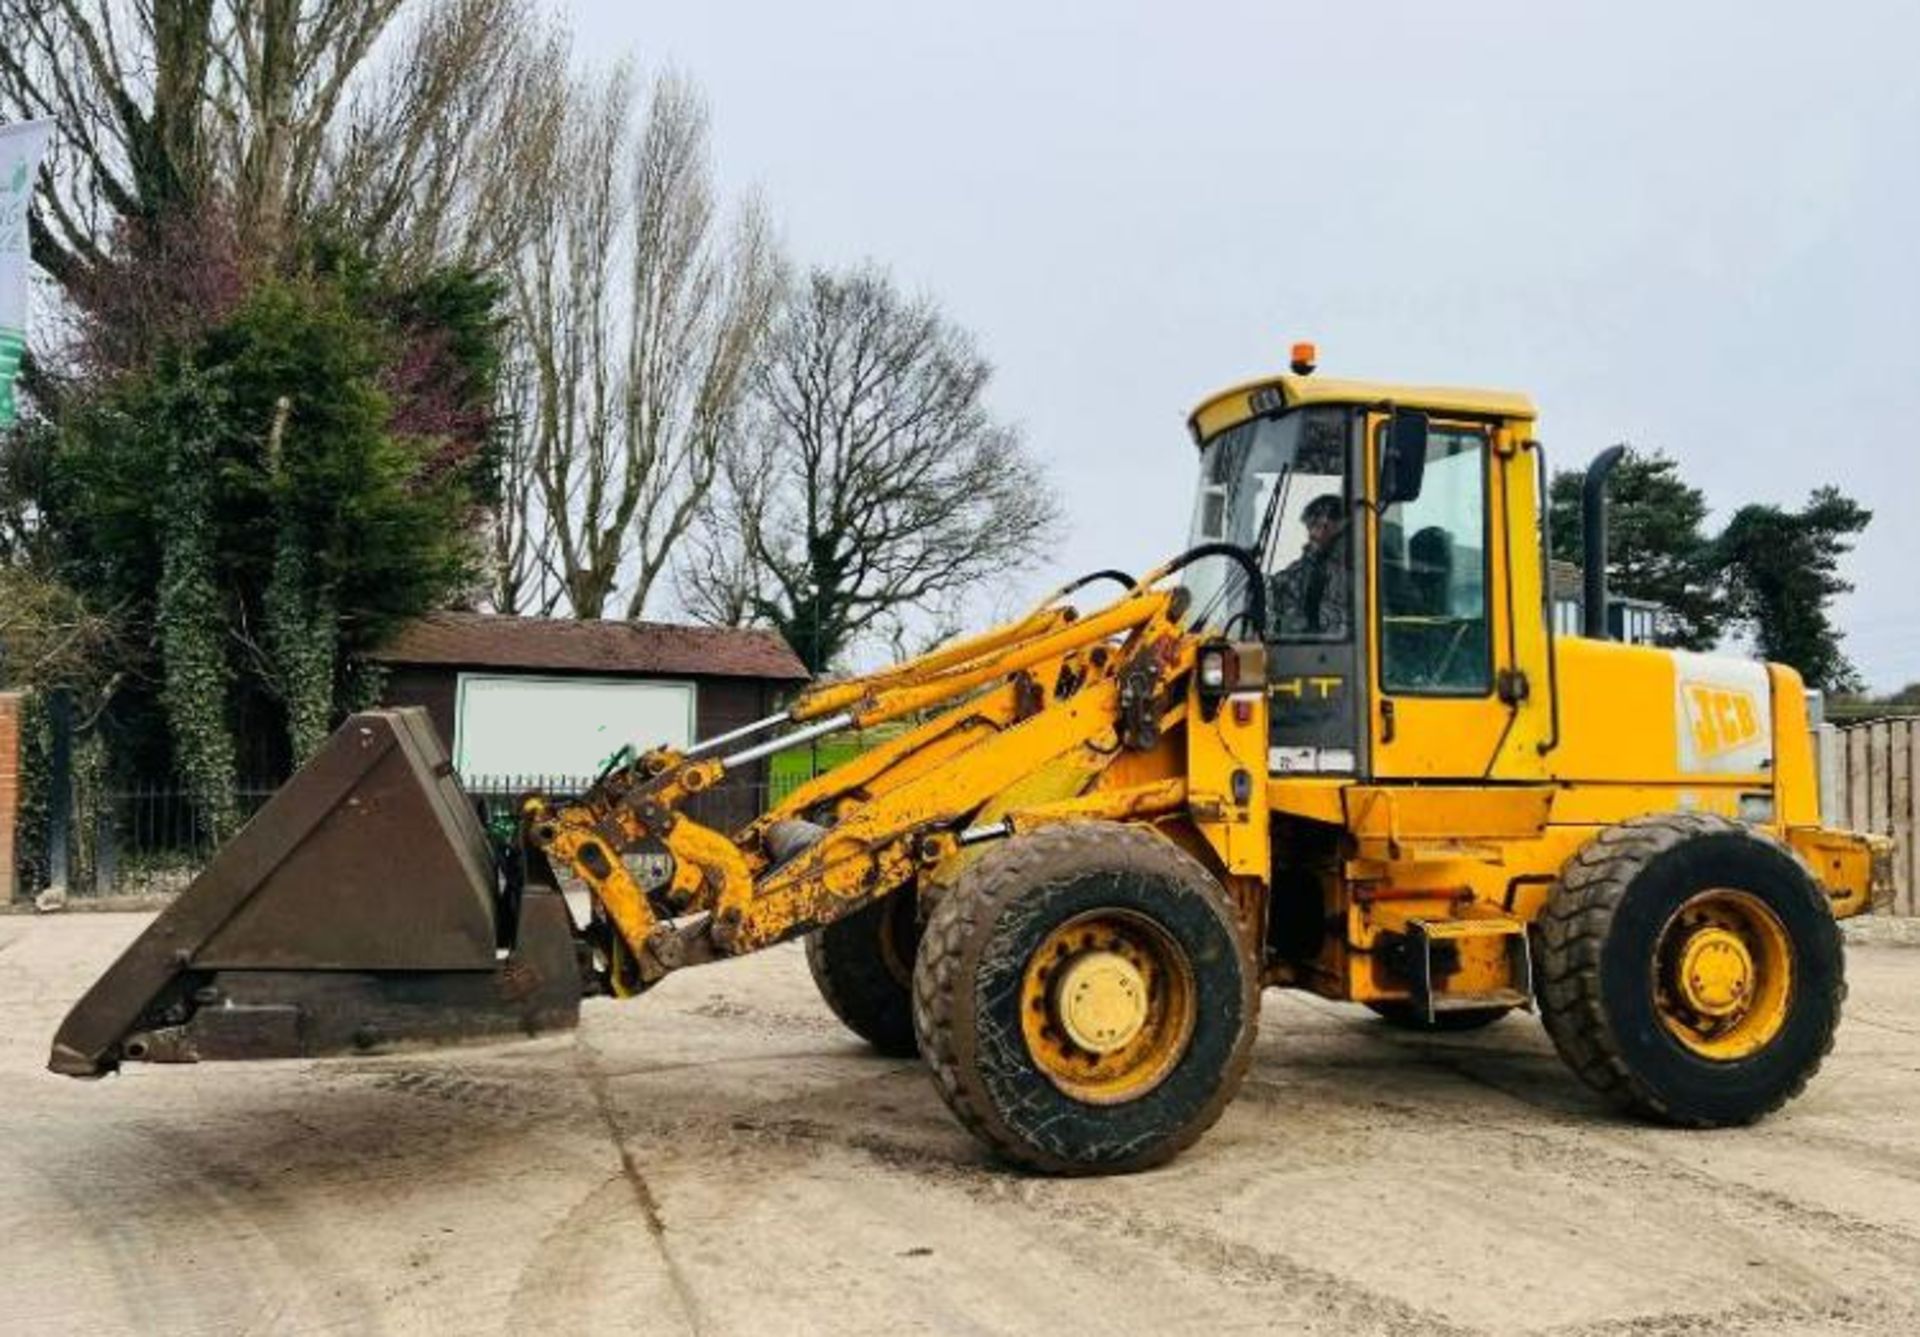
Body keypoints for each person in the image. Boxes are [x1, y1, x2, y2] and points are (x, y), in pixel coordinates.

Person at [1271, 493, 1350, 638]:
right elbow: (1291, 578)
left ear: (1333, 525)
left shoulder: (1348, 568)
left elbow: (1331, 616)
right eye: (1310, 527)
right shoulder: (1314, 561)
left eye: (1316, 525)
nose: (1311, 534)